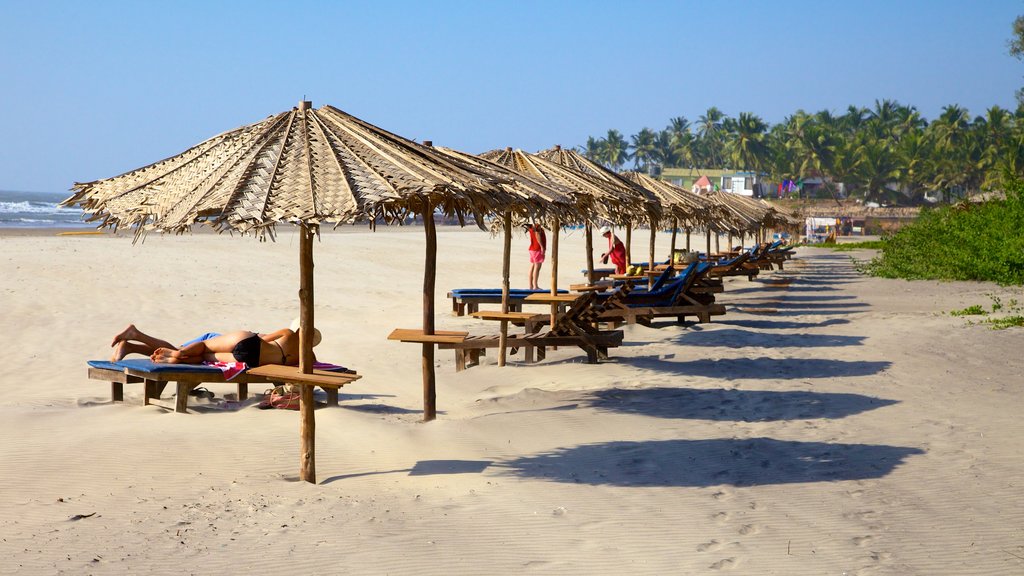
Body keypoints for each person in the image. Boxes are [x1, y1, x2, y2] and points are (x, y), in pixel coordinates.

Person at [109, 320, 321, 367]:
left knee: (201, 346)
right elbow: (316, 364)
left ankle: (136, 335)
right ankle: (173, 356)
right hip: (250, 360)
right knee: (203, 358)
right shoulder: (307, 357)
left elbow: (261, 339)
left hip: (247, 341)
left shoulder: (287, 333)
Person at [525, 222, 547, 290]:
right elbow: (537, 234)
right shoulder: (536, 225)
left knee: (533, 266)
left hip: (532, 249)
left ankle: (531, 285)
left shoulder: (531, 226)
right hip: (537, 249)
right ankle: (535, 285)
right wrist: (542, 247)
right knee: (537, 267)